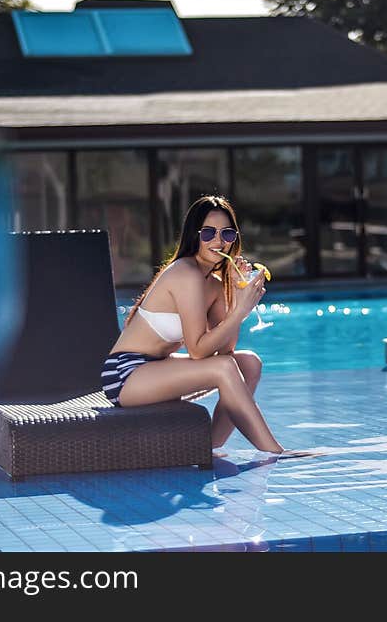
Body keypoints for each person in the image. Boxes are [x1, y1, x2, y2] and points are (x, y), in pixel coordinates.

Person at [102, 195, 303, 456]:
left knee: (249, 363)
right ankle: (275, 451)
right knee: (224, 368)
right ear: (194, 235)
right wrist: (240, 311)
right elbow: (198, 351)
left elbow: (225, 351)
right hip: (125, 374)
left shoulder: (215, 282)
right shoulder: (185, 273)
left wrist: (233, 291)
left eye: (226, 234)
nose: (218, 241)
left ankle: (209, 446)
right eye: (208, 233)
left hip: (157, 367)